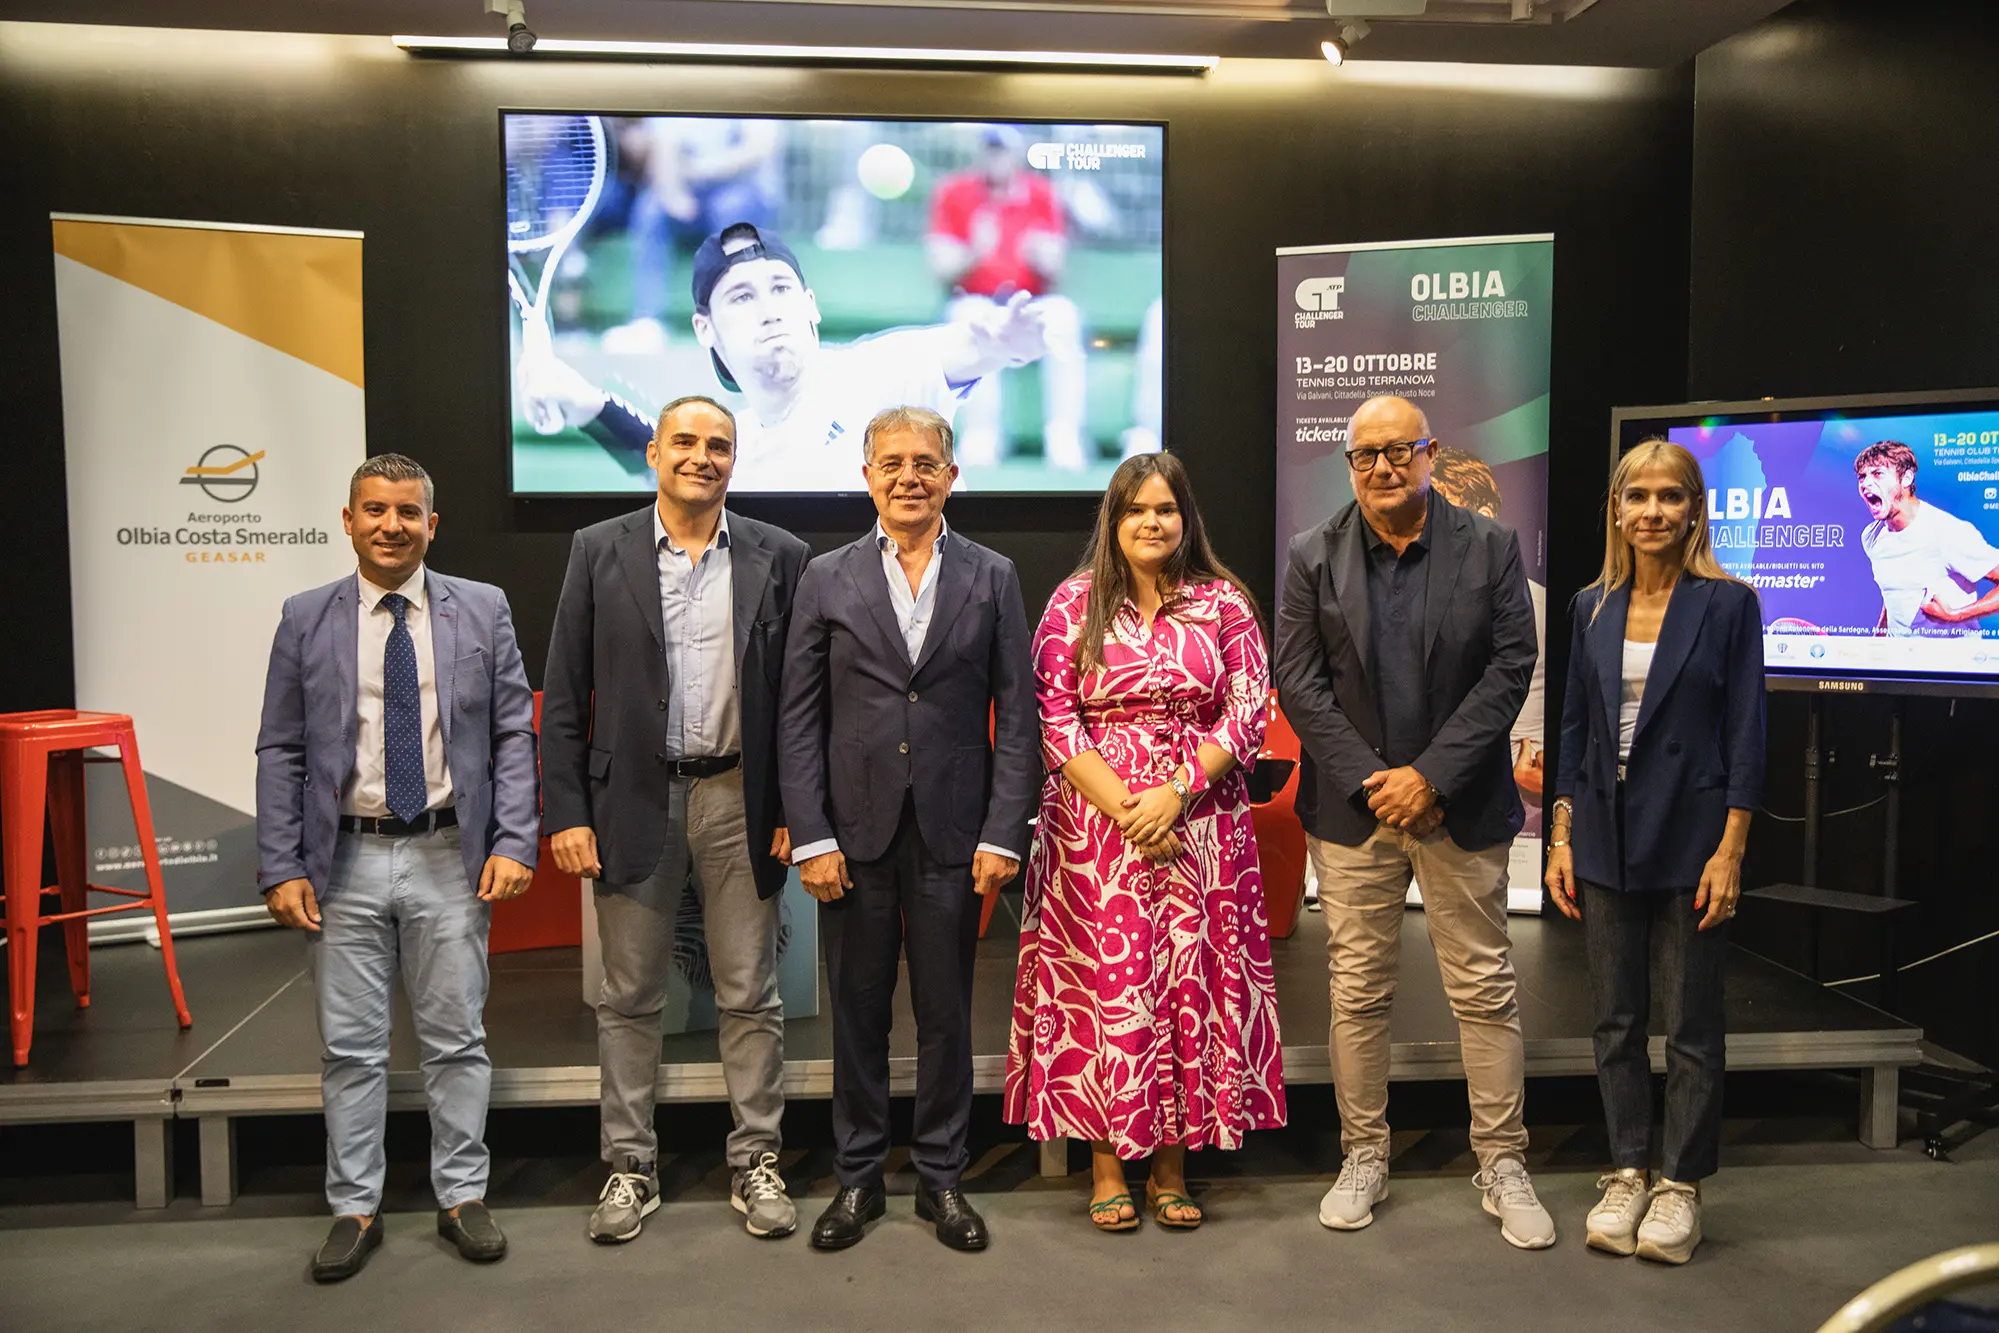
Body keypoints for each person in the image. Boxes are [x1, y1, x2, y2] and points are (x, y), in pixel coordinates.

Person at [1272, 394, 1554, 1250]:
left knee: (1483, 988)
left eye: (1401, 450)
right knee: (1357, 992)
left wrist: (1428, 774)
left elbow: (1512, 666)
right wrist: (1372, 781)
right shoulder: (1310, 555)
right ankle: (1363, 1155)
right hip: (1355, 817)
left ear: (1430, 454)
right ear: (1348, 465)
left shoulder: (1492, 547)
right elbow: (1298, 679)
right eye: (1366, 455)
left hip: (1457, 805)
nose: (1384, 467)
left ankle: (1502, 1161)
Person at [255, 454, 538, 1282]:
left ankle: (462, 1195)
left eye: (407, 512)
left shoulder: (481, 609)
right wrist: (280, 862)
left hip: (451, 853)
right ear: (347, 520)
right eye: (374, 510)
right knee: (350, 1048)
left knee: (457, 1038)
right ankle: (354, 1206)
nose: (391, 525)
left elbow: (515, 732)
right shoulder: (306, 615)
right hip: (340, 858)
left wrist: (517, 839)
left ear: (431, 525)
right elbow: (281, 746)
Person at [540, 395, 811, 1244]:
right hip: (630, 801)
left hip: (741, 800)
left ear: (736, 458)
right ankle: (629, 1167)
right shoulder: (597, 549)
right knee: (627, 997)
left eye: (719, 445)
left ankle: (755, 1159)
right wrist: (567, 812)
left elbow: (803, 704)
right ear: (653, 451)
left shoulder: (782, 555)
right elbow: (561, 696)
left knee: (751, 993)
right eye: (686, 442)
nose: (702, 456)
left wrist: (796, 809)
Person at [778, 405, 1039, 1252]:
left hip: (956, 837)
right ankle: (855, 1179)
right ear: (866, 476)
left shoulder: (994, 574)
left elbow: (1021, 716)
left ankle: (941, 1177)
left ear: (951, 475)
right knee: (855, 1014)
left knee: (943, 1015)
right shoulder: (825, 576)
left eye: (925, 462)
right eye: (890, 462)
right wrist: (811, 836)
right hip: (852, 836)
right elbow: (798, 718)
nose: (908, 477)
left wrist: (1004, 833)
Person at [1005, 452, 1286, 1232]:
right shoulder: (1071, 604)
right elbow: (1055, 718)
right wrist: (1130, 809)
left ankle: (1170, 1166)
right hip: (1095, 833)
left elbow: (1247, 711)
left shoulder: (1223, 602)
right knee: (1108, 987)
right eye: (1136, 510)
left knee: (1190, 988)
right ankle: (1104, 1165)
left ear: (1184, 517)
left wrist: (1175, 793)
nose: (1152, 522)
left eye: (1165, 508)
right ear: (1113, 520)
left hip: (1201, 823)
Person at [1545, 438, 1765, 1266]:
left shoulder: (1728, 604)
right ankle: (1627, 1166)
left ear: (1693, 509)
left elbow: (1746, 735)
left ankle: (1680, 1186)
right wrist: (1560, 838)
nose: (1651, 511)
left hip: (1691, 838)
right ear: (1615, 509)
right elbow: (1571, 733)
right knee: (1613, 1020)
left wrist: (1731, 848)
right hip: (1604, 839)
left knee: (1691, 1025)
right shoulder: (1589, 606)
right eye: (1635, 496)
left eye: (1668, 496)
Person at [519, 223, 1061, 490]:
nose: (769, 310)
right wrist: (583, 401)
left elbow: (962, 347)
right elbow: (662, 464)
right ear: (705, 330)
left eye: (780, 289)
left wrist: (1004, 342)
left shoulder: (881, 370)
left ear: (811, 306)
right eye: (742, 297)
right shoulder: (741, 447)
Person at [926, 125, 1089, 470]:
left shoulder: (1041, 194)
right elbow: (941, 265)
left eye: (1001, 149)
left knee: (1065, 316)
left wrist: (1044, 255)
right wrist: (974, 249)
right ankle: (983, 436)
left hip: (1030, 300)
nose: (994, 157)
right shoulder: (955, 191)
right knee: (972, 317)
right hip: (977, 297)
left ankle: (1063, 435)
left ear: (1016, 153)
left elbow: (1058, 268)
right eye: (989, 148)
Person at [1852, 439, 1999, 634]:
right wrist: (1879, 637)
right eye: (1862, 477)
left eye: (1878, 474)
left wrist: (1955, 615)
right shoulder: (1872, 536)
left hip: (1950, 661)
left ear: (1906, 478)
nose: (1866, 483)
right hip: (1899, 659)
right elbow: (1895, 592)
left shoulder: (1947, 532)